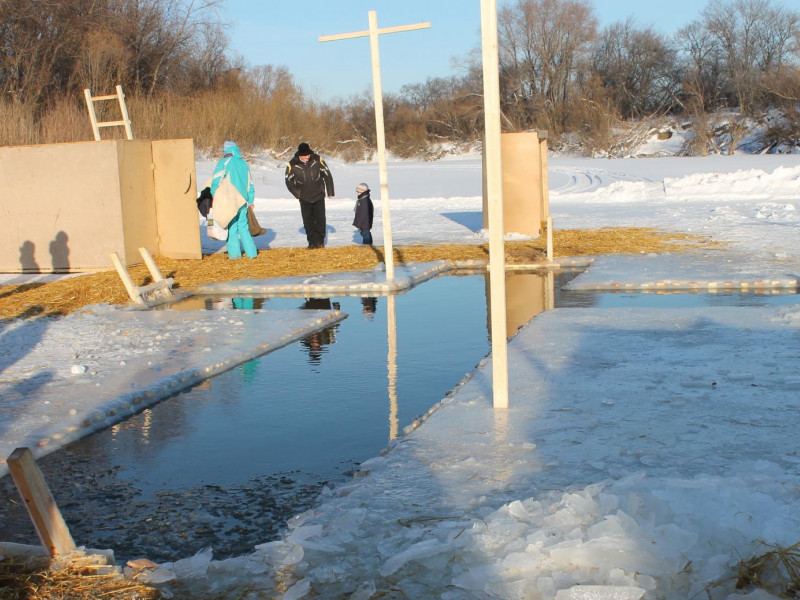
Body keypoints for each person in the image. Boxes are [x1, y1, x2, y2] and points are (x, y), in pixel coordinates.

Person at [211, 141, 257, 259]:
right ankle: (252, 254)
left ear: (226, 150)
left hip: (230, 201)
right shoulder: (244, 164)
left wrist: (213, 196)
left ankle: (235, 256)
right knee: (244, 227)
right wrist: (250, 201)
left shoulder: (224, 162)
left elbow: (216, 181)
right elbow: (250, 184)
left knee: (232, 228)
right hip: (243, 201)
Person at [285, 142, 334, 249]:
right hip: (304, 197)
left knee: (320, 219)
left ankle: (320, 242)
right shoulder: (292, 164)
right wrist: (297, 193)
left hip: (318, 195)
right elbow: (288, 181)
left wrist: (330, 191)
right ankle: (312, 242)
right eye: (304, 156)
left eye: (308, 155)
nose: (307, 157)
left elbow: (327, 175)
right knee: (308, 220)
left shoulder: (317, 160)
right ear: (299, 155)